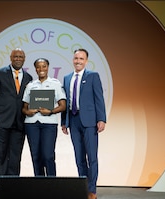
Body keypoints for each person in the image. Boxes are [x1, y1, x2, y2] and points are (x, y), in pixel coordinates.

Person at [61, 49, 106, 199]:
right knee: (79, 157)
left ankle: (92, 190)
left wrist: (101, 119)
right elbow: (65, 101)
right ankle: (83, 188)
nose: (78, 61)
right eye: (76, 58)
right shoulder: (67, 78)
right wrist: (64, 122)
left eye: (81, 58)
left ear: (86, 61)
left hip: (89, 122)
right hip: (73, 121)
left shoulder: (93, 76)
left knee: (91, 157)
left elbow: (99, 99)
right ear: (72, 60)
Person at [0, 48, 33, 177]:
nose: (18, 59)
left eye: (20, 57)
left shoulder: (29, 77)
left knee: (16, 156)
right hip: (2, 120)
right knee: (1, 154)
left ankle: (12, 185)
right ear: (10, 58)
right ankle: (2, 184)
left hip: (19, 122)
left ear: (24, 59)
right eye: (15, 56)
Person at [22, 58, 66, 176]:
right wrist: (28, 112)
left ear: (48, 67)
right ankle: (39, 185)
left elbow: (63, 106)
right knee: (36, 156)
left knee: (48, 155)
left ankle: (52, 185)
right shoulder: (30, 85)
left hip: (49, 124)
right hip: (31, 124)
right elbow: (24, 108)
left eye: (44, 66)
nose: (41, 69)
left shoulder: (55, 84)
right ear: (35, 69)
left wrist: (50, 111)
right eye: (38, 67)